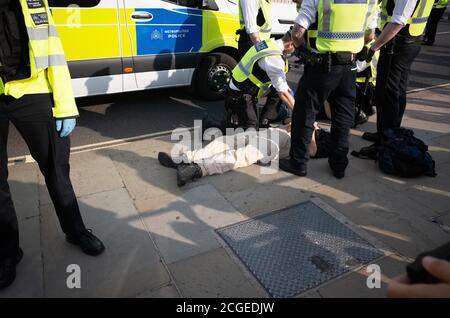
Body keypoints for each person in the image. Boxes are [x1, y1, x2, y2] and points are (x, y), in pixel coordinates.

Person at [0, 0, 104, 290]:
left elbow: (53, 51)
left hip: (33, 91)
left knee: (57, 168)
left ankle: (76, 231)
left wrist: (66, 105)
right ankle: (8, 253)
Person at [279, 0, 371, 179]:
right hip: (349, 66)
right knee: (343, 117)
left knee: (304, 113)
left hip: (322, 65)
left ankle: (298, 163)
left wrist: (302, 51)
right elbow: (369, 36)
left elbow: (297, 33)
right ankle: (339, 165)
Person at [358, 0, 435, 156]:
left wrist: (374, 47)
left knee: (387, 94)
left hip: (397, 44)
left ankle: (384, 143)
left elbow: (398, 21)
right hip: (411, 40)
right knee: (397, 92)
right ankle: (390, 134)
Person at [158, 123, 330, 187]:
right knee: (226, 141)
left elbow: (312, 152)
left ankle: (197, 169)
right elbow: (289, 126)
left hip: (281, 142)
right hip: (271, 133)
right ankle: (185, 159)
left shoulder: (323, 141)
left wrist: (312, 131)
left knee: (240, 156)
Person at [225, 32, 296, 129]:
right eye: (296, 48)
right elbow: (283, 93)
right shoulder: (273, 57)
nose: (295, 52)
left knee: (279, 91)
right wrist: (299, 113)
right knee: (250, 129)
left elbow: (283, 86)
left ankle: (264, 121)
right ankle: (210, 124)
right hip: (239, 93)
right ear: (290, 44)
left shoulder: (270, 43)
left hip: (247, 88)